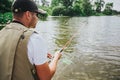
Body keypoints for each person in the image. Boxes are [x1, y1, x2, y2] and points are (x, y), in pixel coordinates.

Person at [0, 0, 62, 80]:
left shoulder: (2, 32)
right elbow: (46, 77)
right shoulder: (35, 38)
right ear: (28, 15)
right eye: (36, 15)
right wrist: (56, 58)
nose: (37, 18)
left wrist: (35, 53)